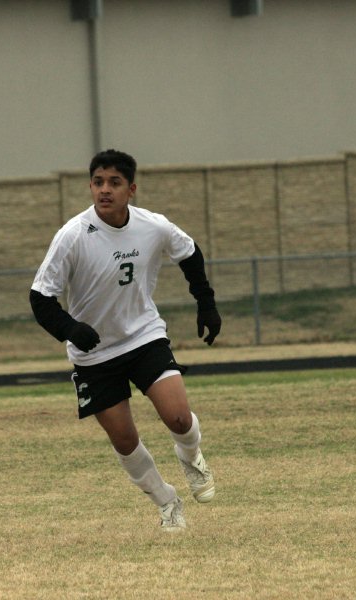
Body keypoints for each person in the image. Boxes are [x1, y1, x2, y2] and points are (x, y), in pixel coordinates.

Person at [29, 149, 222, 531]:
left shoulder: (154, 226)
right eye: (98, 182)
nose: (105, 190)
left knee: (179, 417)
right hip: (94, 355)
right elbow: (40, 297)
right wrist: (71, 329)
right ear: (90, 186)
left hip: (144, 337)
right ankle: (166, 501)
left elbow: (190, 252)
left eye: (114, 183)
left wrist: (206, 304)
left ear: (131, 189)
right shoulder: (72, 236)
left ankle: (191, 456)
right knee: (124, 440)